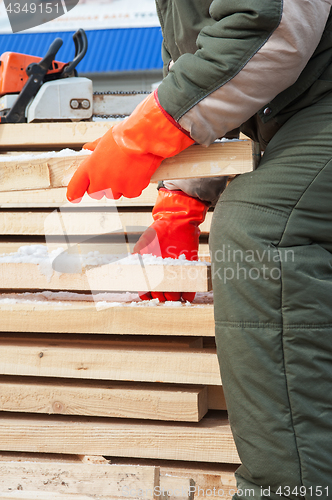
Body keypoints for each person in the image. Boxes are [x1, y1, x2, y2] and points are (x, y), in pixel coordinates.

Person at [67, 1, 332, 497]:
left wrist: (148, 132)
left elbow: (266, 26)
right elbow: (211, 71)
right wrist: (179, 203)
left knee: (260, 229)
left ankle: (290, 489)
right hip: (297, 112)